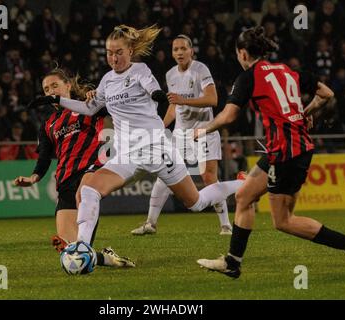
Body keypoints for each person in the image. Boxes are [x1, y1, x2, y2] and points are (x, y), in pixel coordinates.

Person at [28, 25, 241, 261]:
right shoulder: (107, 80)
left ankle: (243, 184)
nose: (113, 57)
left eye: (118, 52)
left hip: (157, 149)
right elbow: (89, 108)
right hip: (127, 154)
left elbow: (151, 87)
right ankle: (83, 249)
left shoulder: (140, 70)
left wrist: (157, 95)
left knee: (196, 202)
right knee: (89, 189)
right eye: (109, 52)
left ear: (130, 50)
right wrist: (57, 99)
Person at [195, 26, 345, 279]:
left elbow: (230, 114)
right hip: (286, 149)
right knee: (244, 197)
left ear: (243, 53)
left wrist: (204, 129)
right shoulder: (287, 70)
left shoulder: (248, 77)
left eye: (237, 54)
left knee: (283, 221)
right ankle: (232, 262)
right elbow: (326, 94)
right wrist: (304, 114)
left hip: (286, 153)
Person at [14, 68, 135, 268]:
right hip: (65, 180)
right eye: (46, 89)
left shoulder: (88, 106)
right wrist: (33, 177)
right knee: (69, 249)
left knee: (81, 233)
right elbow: (44, 156)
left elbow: (115, 105)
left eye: (55, 85)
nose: (50, 91)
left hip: (89, 172)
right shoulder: (48, 124)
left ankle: (94, 253)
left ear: (68, 86)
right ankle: (108, 258)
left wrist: (99, 96)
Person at [131, 34, 245, 236]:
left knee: (209, 177)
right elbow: (174, 106)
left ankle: (226, 225)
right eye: (176, 49)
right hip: (180, 134)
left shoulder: (200, 70)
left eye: (184, 48)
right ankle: (150, 223)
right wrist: (160, 126)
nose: (180, 52)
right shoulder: (170, 75)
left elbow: (212, 99)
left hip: (204, 131)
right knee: (165, 174)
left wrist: (183, 100)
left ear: (191, 51)